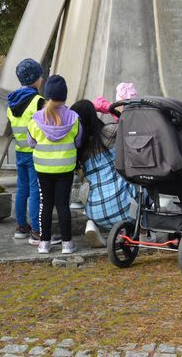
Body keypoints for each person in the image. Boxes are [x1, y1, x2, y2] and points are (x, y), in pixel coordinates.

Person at [27, 75, 83, 254]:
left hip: (43, 168)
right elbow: (78, 141)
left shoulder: (36, 119)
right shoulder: (74, 118)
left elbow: (31, 142)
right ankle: (67, 244)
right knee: (63, 205)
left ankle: (44, 243)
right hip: (65, 168)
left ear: (47, 95)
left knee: (46, 204)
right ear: (65, 96)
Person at [71, 100, 136, 247]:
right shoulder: (110, 132)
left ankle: (92, 224)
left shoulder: (78, 147)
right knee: (141, 184)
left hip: (95, 210)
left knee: (87, 187)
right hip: (123, 206)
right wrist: (110, 110)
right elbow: (130, 125)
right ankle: (142, 233)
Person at [7, 58, 44, 241]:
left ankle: (21, 226)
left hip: (19, 150)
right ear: (36, 78)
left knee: (21, 189)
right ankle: (37, 230)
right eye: (40, 75)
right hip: (34, 152)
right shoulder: (38, 100)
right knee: (35, 190)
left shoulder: (11, 101)